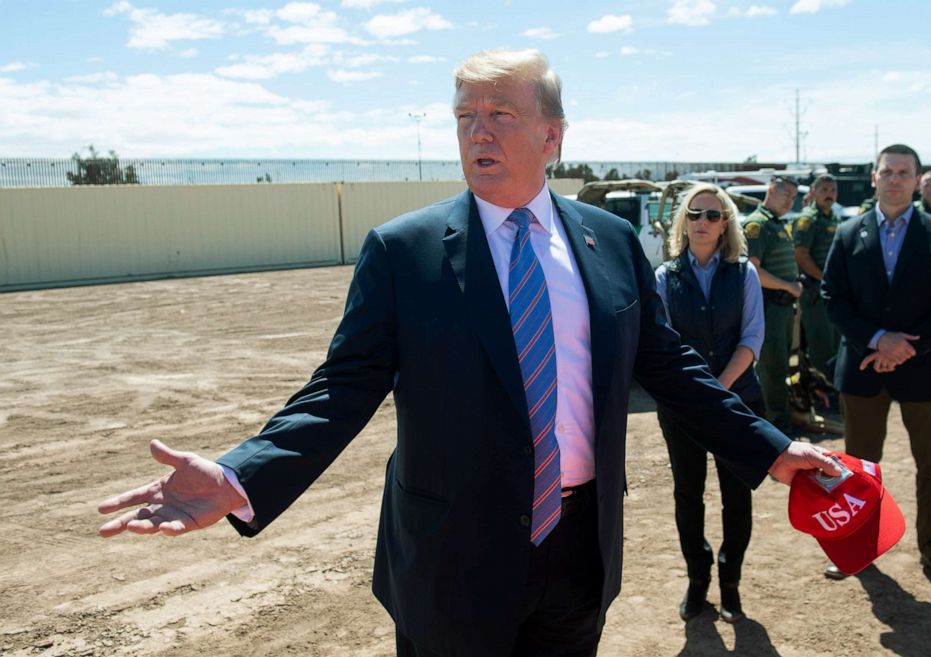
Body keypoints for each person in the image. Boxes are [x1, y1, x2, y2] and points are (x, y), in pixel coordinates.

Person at [97, 49, 839, 657]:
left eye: (501, 116)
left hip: (579, 552)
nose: (477, 134)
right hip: (453, 557)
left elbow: (671, 364)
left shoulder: (608, 243)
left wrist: (771, 449)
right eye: (465, 119)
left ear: (553, 136)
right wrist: (239, 472)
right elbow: (342, 388)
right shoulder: (405, 251)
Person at [820, 144, 931, 589]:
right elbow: (833, 297)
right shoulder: (848, 234)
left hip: (923, 371)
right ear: (874, 178)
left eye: (904, 172)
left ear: (917, 178)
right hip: (863, 370)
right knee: (860, 469)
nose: (895, 179)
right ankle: (858, 548)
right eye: (888, 171)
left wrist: (903, 348)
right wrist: (877, 340)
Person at [654, 184, 765, 624]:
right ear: (683, 221)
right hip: (683, 408)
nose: (702, 222)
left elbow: (753, 337)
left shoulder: (744, 274)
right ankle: (697, 579)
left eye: (712, 216)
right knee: (688, 494)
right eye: (695, 214)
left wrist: (718, 389)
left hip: (738, 402)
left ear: (725, 226)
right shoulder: (664, 277)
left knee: (738, 496)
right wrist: (697, 395)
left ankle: (731, 581)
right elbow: (662, 344)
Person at [742, 175, 801, 434]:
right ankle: (776, 427)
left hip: (783, 308)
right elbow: (753, 269)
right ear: (771, 190)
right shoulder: (757, 224)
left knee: (780, 366)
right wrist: (788, 286)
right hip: (770, 307)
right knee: (771, 369)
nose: (790, 201)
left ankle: (779, 420)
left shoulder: (776, 223)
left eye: (794, 197)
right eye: (786, 194)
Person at [793, 174, 841, 379]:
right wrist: (824, 278)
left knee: (834, 339)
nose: (829, 195)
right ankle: (821, 389)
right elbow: (801, 255)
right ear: (813, 193)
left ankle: (832, 383)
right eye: (824, 190)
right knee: (820, 341)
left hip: (831, 288)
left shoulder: (831, 217)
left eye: (832, 190)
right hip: (815, 288)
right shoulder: (807, 219)